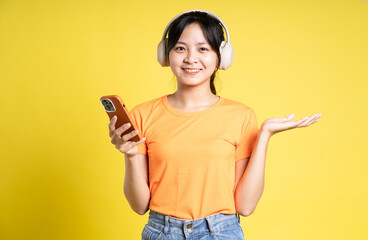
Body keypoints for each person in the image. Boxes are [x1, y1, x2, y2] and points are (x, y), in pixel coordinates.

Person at [107, 9, 321, 240]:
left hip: (221, 233)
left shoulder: (241, 115)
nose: (191, 58)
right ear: (165, 55)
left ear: (222, 57)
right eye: (180, 48)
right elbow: (139, 206)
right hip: (162, 232)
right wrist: (129, 155)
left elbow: (246, 206)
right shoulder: (142, 114)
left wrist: (264, 136)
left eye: (203, 49)